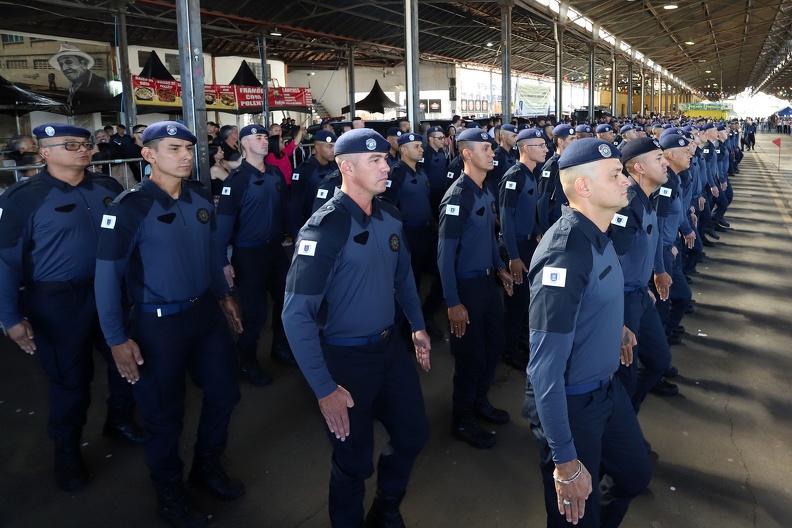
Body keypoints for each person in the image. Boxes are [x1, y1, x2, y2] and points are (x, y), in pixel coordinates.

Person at [94, 121, 244, 528]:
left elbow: (211, 250)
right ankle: (169, 489)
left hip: (205, 315)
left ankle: (207, 466)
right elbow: (106, 277)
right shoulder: (129, 207)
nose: (184, 156)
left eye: (188, 149)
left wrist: (224, 294)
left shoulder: (197, 194)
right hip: (156, 325)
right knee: (163, 416)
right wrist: (116, 339)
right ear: (148, 155)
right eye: (174, 148)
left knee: (225, 393)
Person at [282, 128, 431, 528]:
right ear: (347, 167)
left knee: (413, 434)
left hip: (389, 350)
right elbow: (295, 315)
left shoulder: (390, 215)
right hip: (346, 361)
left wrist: (417, 326)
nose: (388, 167)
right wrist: (324, 388)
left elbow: (403, 280)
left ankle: (385, 509)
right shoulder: (325, 228)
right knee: (352, 462)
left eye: (387, 158)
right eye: (377, 161)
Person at [0, 124, 143, 492]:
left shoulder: (108, 188)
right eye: (69, 145)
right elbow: (5, 261)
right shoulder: (23, 197)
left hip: (111, 293)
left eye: (84, 143)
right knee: (70, 379)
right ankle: (67, 449)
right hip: (58, 301)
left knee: (124, 362)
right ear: (43, 151)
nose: (82, 149)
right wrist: (10, 317)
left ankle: (120, 420)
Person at [524, 138, 651, 527]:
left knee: (634, 474)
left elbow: (594, 302)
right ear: (584, 187)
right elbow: (544, 372)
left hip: (606, 389)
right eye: (615, 174)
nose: (626, 180)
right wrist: (564, 460)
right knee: (576, 515)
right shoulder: (565, 254)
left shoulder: (599, 233)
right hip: (573, 404)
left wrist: (616, 330)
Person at [437, 128, 514, 449]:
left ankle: (480, 400)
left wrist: (499, 268)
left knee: (494, 345)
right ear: (467, 154)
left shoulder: (484, 190)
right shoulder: (458, 197)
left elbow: (487, 237)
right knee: (470, 357)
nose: (492, 151)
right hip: (466, 287)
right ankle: (463, 418)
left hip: (486, 283)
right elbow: (443, 256)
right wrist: (452, 302)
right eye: (485, 148)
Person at [216, 124, 296, 388]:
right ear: (244, 145)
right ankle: (246, 360)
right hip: (248, 254)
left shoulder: (274, 174)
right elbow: (224, 224)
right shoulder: (237, 180)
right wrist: (222, 261)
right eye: (258, 137)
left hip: (274, 249)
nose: (264, 141)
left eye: (265, 136)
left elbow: (285, 211)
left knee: (287, 301)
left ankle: (280, 347)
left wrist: (299, 238)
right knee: (254, 314)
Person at [609, 137, 676, 409]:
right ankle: (622, 440)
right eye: (658, 159)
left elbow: (653, 239)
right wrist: (616, 321)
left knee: (660, 361)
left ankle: (627, 423)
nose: (665, 163)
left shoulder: (647, 198)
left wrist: (654, 273)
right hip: (621, 301)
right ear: (638, 168)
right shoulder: (628, 205)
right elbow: (610, 263)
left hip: (638, 293)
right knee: (624, 374)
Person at [384, 132, 444, 339]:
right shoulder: (396, 174)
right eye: (417, 146)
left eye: (421, 145)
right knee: (411, 283)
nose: (421, 149)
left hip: (428, 231)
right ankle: (407, 330)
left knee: (443, 274)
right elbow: (387, 207)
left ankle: (426, 316)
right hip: (409, 234)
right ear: (403, 150)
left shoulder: (421, 171)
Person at [498, 128, 546, 371]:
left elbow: (529, 210)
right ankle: (509, 348)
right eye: (540, 145)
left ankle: (520, 341)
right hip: (515, 245)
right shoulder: (514, 176)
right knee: (517, 301)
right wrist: (513, 256)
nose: (546, 149)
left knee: (527, 297)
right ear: (526, 148)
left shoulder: (531, 173)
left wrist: (536, 229)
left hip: (528, 242)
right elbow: (506, 217)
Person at [291, 130, 338, 228]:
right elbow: (295, 204)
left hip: (333, 223)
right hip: (312, 225)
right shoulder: (304, 170)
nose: (333, 150)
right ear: (318, 148)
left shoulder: (336, 168)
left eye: (334, 146)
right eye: (329, 146)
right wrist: (296, 232)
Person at [49, 43, 110, 109]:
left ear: (84, 63)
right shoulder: (73, 85)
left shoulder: (98, 83)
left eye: (69, 62)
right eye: (61, 64)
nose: (64, 68)